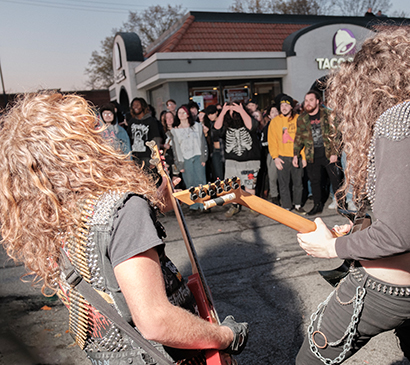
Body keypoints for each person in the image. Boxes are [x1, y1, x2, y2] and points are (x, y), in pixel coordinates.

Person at [0, 92, 248, 365]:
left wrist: (150, 201)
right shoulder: (123, 208)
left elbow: (105, 254)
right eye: (93, 128)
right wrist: (224, 335)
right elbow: (156, 321)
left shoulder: (50, 213)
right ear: (75, 147)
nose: (106, 131)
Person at [296, 28, 410, 365]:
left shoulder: (402, 119)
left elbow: (397, 235)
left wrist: (330, 247)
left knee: (308, 362)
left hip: (384, 289)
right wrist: (361, 231)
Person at [293, 90, 341, 216]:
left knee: (335, 179)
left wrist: (335, 152)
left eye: (311, 100)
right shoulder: (302, 118)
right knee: (315, 182)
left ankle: (341, 205)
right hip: (312, 155)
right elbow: (299, 137)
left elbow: (336, 134)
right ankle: (317, 205)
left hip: (328, 153)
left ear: (318, 101)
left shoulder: (328, 114)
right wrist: (295, 154)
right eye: (306, 100)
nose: (308, 103)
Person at [214, 102, 261, 217]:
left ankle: (253, 206)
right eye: (231, 112)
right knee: (232, 187)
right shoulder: (226, 127)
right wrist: (224, 111)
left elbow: (252, 126)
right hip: (232, 161)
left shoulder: (248, 121)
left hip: (250, 162)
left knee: (250, 186)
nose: (233, 114)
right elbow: (216, 128)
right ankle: (234, 206)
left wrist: (241, 110)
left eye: (235, 112)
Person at [268, 95, 306, 214]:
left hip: (296, 156)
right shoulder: (275, 122)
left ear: (291, 107)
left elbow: (303, 140)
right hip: (282, 157)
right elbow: (272, 141)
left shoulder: (299, 119)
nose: (284, 107)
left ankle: (298, 204)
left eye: (286, 105)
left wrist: (303, 157)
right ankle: (287, 206)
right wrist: (275, 158)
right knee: (283, 184)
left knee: (298, 183)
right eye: (282, 105)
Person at [171, 105, 208, 212]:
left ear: (188, 114)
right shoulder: (175, 131)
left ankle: (203, 203)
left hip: (197, 156)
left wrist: (203, 158)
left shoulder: (197, 126)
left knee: (201, 181)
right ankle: (194, 204)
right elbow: (176, 149)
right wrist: (180, 164)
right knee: (190, 181)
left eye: (184, 112)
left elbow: (203, 143)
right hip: (185, 158)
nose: (181, 115)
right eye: (179, 113)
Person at [127, 97, 162, 170]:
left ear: (143, 106)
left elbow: (156, 140)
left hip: (147, 157)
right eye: (133, 105)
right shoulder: (131, 121)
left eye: (137, 104)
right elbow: (128, 139)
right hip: (134, 157)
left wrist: (154, 158)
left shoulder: (151, 121)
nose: (135, 107)